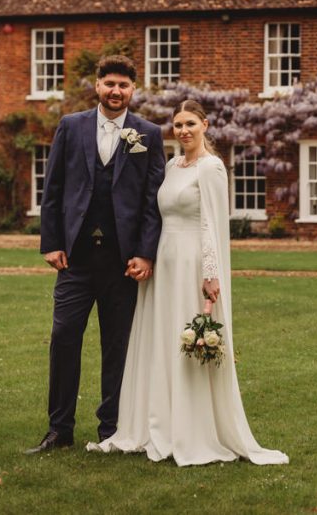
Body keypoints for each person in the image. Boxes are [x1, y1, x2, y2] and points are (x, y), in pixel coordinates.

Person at [88, 100, 288, 466]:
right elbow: (155, 214)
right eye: (178, 124)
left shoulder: (211, 168)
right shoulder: (171, 166)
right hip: (164, 262)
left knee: (187, 339)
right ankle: (154, 422)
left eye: (190, 123)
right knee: (160, 339)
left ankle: (191, 427)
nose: (183, 130)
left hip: (192, 263)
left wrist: (210, 275)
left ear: (206, 125)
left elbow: (212, 223)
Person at [26, 55, 166, 454]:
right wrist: (51, 242)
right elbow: (53, 189)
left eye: (123, 85)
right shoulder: (71, 127)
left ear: (133, 90)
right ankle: (59, 429)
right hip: (77, 259)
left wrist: (145, 253)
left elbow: (152, 202)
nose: (116, 91)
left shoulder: (148, 134)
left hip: (123, 262)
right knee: (64, 337)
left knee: (117, 346)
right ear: (97, 86)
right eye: (109, 84)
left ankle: (112, 430)